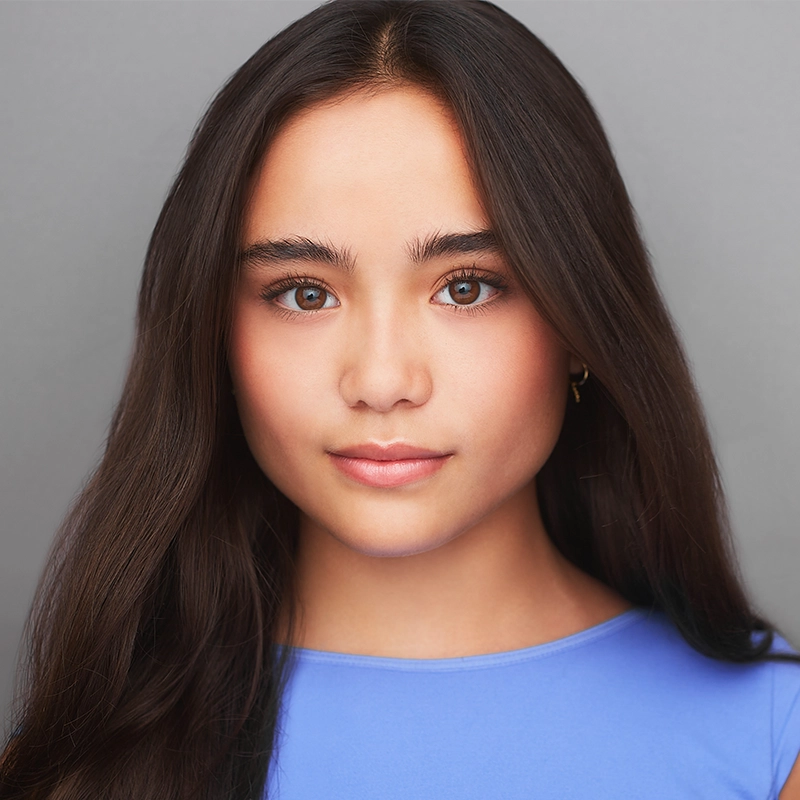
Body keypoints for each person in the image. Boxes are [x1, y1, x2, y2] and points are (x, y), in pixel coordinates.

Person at [1, 1, 799, 798]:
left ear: (581, 323)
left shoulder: (770, 745)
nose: (382, 382)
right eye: (305, 294)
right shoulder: (74, 770)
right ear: (213, 337)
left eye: (466, 287)